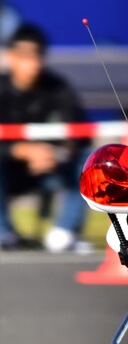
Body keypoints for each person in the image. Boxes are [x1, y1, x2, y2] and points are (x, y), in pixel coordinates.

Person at [0, 23, 88, 252]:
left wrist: (55, 153)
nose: (32, 64)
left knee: (88, 160)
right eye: (24, 56)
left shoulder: (58, 88)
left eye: (37, 55)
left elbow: (79, 133)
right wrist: (21, 151)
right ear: (11, 56)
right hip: (9, 171)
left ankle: (64, 232)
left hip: (53, 167)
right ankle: (4, 234)